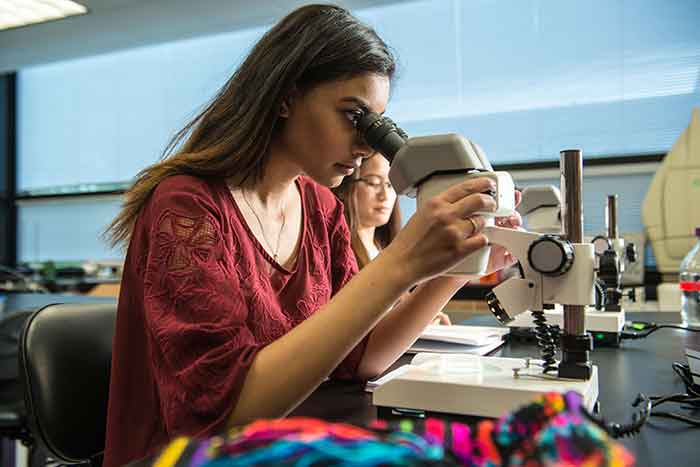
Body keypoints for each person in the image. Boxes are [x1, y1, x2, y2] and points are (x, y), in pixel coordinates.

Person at [103, 5, 520, 467]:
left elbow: (360, 358)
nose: (366, 146)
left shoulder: (320, 207)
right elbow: (223, 419)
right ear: (285, 97)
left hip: (282, 447)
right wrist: (401, 260)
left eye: (375, 124)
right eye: (352, 115)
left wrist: (454, 266)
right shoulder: (187, 208)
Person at [333, 154, 451, 324]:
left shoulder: (385, 249)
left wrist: (426, 317)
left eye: (390, 185)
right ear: (346, 187)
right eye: (373, 182)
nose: (384, 195)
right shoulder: (339, 251)